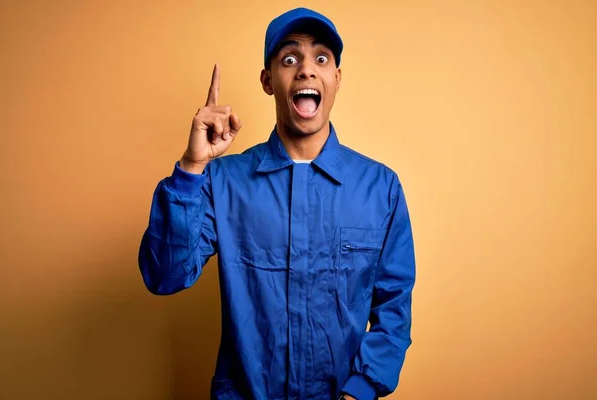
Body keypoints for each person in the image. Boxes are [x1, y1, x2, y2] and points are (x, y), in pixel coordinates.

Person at [138, 7, 416, 400]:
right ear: (268, 81)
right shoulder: (223, 181)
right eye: (289, 59)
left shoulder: (380, 188)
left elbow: (394, 311)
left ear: (336, 79)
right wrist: (192, 166)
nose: (306, 70)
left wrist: (360, 391)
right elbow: (163, 276)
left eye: (321, 58)